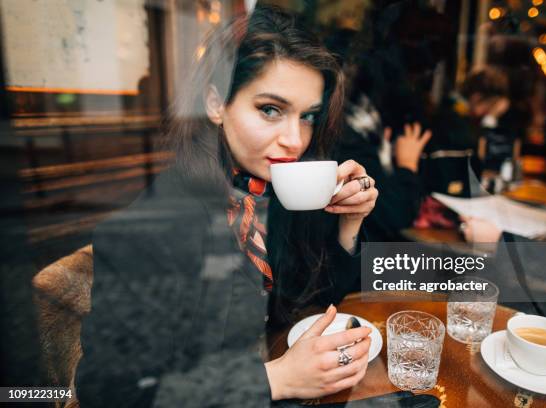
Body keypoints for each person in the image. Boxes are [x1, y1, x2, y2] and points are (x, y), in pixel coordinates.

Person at [76, 6, 378, 407]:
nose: (295, 139)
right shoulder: (147, 229)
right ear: (216, 104)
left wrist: (349, 224)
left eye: (308, 116)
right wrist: (276, 378)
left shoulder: (274, 191)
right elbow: (110, 391)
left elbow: (324, 300)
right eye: (270, 109)